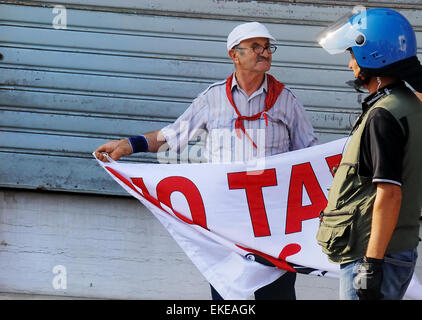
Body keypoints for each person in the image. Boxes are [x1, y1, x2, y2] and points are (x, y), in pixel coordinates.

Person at [95, 21, 317, 300]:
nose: (266, 53)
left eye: (268, 47)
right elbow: (172, 135)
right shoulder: (212, 99)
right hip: (225, 222)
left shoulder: (286, 101)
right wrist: (128, 145)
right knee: (226, 292)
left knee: (275, 293)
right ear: (234, 55)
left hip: (270, 224)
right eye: (256, 47)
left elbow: (309, 152)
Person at [316, 8, 422, 300]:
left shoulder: (384, 115)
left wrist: (371, 264)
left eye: (352, 54)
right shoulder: (409, 105)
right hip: (398, 247)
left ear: (371, 56)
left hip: (376, 253)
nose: (350, 63)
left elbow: (389, 193)